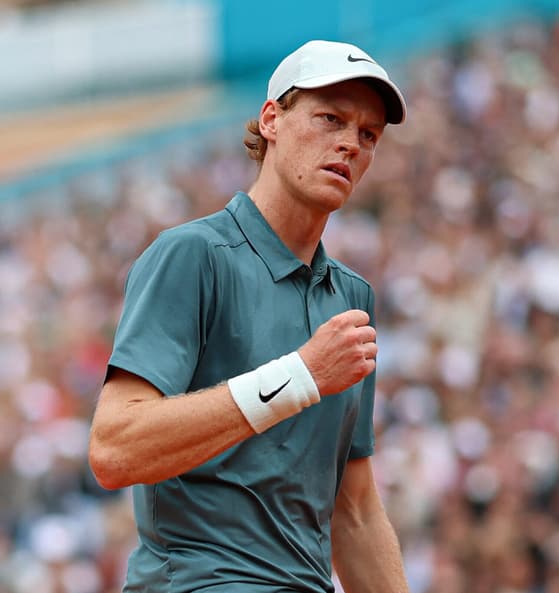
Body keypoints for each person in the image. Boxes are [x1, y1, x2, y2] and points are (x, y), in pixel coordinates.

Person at [88, 40, 410, 593]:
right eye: (330, 118)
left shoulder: (353, 299)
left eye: (367, 134)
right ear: (271, 120)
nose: (349, 145)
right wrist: (299, 377)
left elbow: (352, 511)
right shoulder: (192, 254)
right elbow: (115, 449)